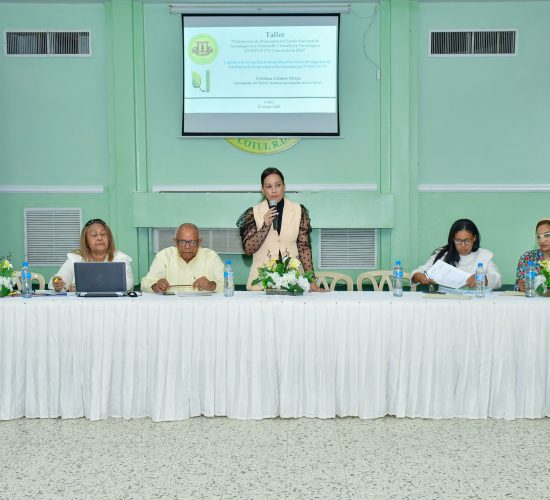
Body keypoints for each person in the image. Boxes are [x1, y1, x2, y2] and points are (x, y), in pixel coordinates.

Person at [237, 167, 322, 291]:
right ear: (262, 190)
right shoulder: (254, 213)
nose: (274, 190)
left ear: (284, 187)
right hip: (262, 283)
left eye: (278, 185)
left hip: (293, 281)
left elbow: (304, 248)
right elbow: (248, 250)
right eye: (268, 186)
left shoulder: (298, 210)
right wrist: (265, 226)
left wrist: (311, 281)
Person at [411, 218, 502, 290]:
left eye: (467, 240)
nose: (463, 245)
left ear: (474, 238)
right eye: (458, 240)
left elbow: (497, 279)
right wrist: (417, 276)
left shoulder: (484, 255)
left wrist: (484, 279)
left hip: (475, 301)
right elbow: (417, 272)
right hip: (446, 301)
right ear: (453, 239)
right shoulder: (442, 254)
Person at [49, 218, 134, 292]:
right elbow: (57, 278)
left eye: (103, 234)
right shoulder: (76, 258)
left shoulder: (120, 258)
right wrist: (56, 282)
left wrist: (84, 287)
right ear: (86, 240)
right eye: (94, 235)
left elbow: (128, 284)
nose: (99, 238)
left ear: (109, 238)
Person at [141, 223, 224, 293]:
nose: (187, 247)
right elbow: (145, 284)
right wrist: (155, 286)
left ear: (199, 242)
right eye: (182, 242)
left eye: (192, 242)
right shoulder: (164, 256)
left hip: (203, 306)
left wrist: (211, 285)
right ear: (175, 242)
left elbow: (228, 285)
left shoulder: (211, 257)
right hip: (172, 305)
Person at [515, 218, 550, 291]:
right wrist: (520, 287)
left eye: (547, 235)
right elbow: (517, 287)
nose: (542, 240)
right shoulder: (527, 257)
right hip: (531, 297)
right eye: (538, 236)